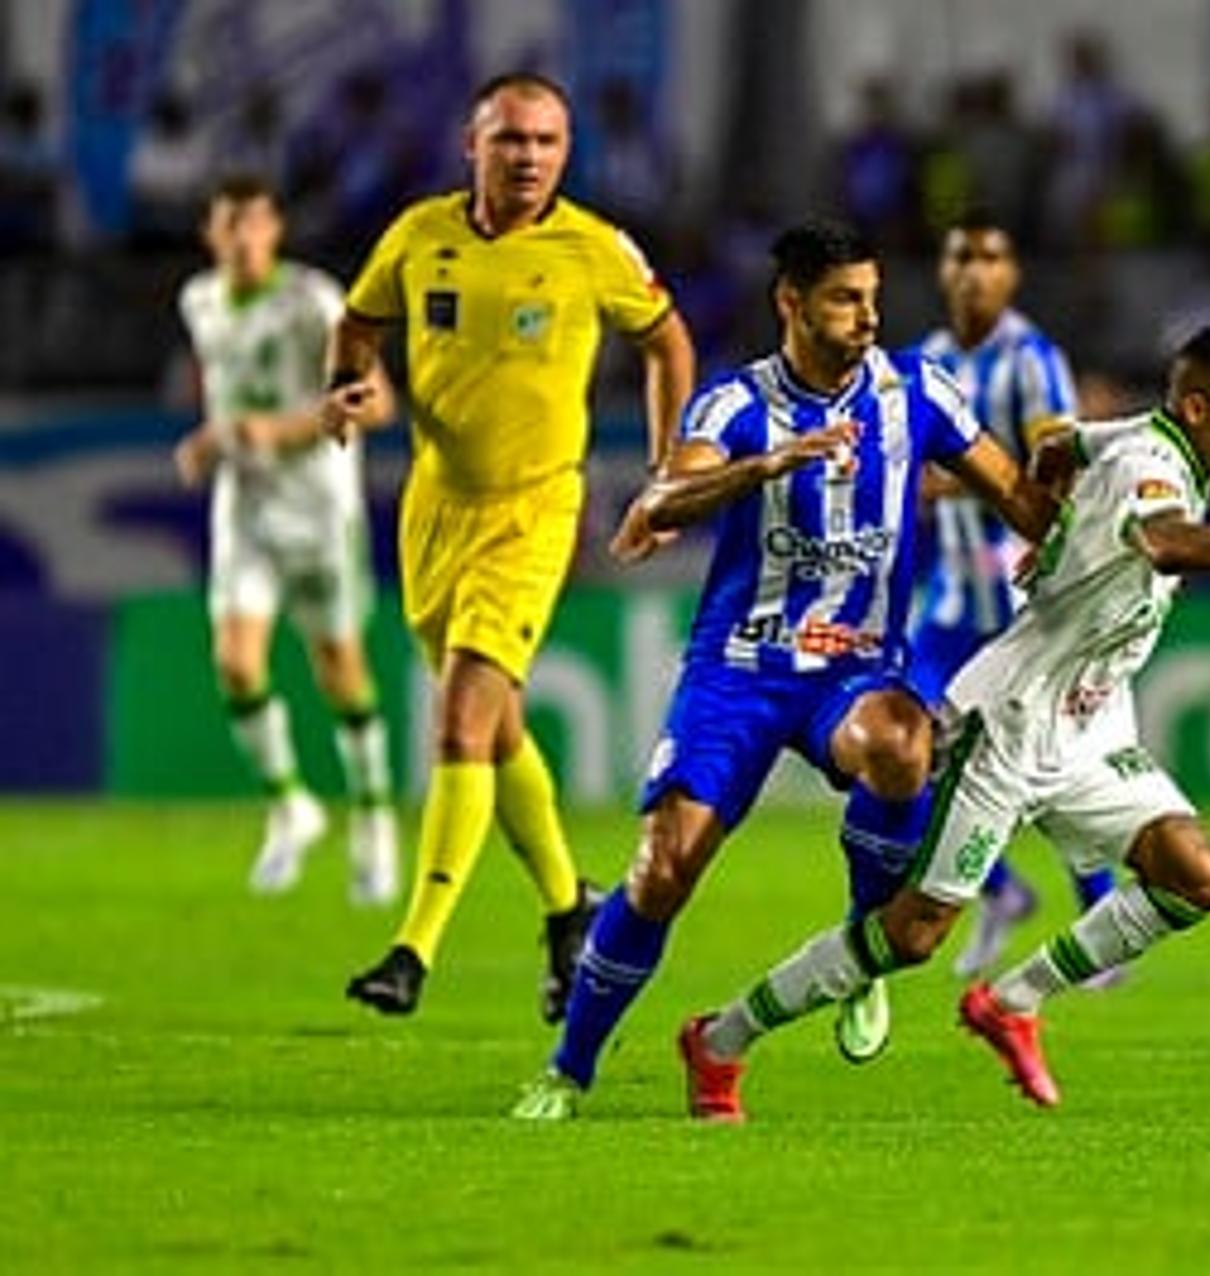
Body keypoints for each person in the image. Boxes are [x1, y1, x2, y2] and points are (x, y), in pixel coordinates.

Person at [673, 329, 1210, 1120]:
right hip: (1008, 723)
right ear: (1195, 407)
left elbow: (1063, 442)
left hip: (1090, 728)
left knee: (1195, 877)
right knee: (910, 937)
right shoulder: (1152, 469)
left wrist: (1050, 517)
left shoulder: (1154, 439)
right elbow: (1164, 542)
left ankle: (1012, 1001)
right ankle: (720, 1039)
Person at [509, 218, 1060, 1120]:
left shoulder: (919, 390)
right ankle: (569, 1069)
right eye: (846, 300)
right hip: (739, 670)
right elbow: (663, 497)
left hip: (852, 670)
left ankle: (860, 948)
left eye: (874, 299)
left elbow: (1022, 498)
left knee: (901, 743)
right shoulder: (735, 405)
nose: (867, 318)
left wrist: (1100, 505)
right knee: (662, 867)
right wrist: (766, 465)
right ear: (791, 303)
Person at [324, 73, 696, 1020]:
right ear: (473, 143)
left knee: (457, 724)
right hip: (433, 510)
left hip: (534, 514)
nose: (528, 157)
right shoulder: (419, 236)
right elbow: (360, 324)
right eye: (511, 140)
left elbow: (668, 342)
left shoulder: (594, 249)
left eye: (546, 142)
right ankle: (573, 910)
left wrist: (665, 466)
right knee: (499, 730)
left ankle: (413, 950)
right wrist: (350, 386)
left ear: (565, 153)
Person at [173, 174, 401, 906]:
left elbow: (376, 403)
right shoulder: (199, 301)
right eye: (228, 223)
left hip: (319, 506)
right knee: (236, 664)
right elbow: (228, 396)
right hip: (244, 508)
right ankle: (291, 806)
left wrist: (273, 431)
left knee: (339, 668)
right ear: (211, 234)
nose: (242, 237)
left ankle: (372, 817)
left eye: (255, 222)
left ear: (275, 230)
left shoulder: (315, 301)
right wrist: (214, 442)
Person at [911, 208, 1116, 983]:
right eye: (961, 254)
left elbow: (1054, 456)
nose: (973, 270)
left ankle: (1098, 920)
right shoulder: (923, 360)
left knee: (1047, 760)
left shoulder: (1031, 357)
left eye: (990, 256)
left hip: (1017, 598)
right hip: (947, 603)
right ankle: (1000, 892)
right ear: (943, 268)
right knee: (900, 750)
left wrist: (969, 487)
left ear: (1012, 273)